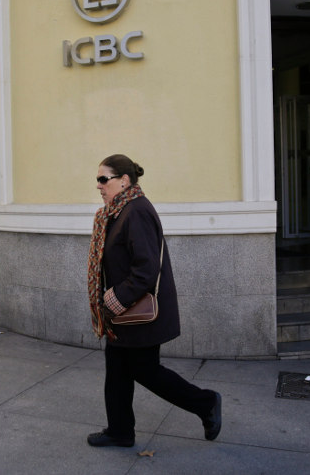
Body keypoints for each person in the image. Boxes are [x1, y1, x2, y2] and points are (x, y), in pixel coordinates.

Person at [86, 154, 222, 448]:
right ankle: (120, 430)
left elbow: (147, 269)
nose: (98, 186)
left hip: (135, 311)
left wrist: (116, 298)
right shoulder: (119, 211)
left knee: (146, 372)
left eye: (103, 179)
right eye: (97, 179)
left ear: (124, 181)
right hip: (123, 313)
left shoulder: (136, 211)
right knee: (117, 371)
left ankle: (206, 403)